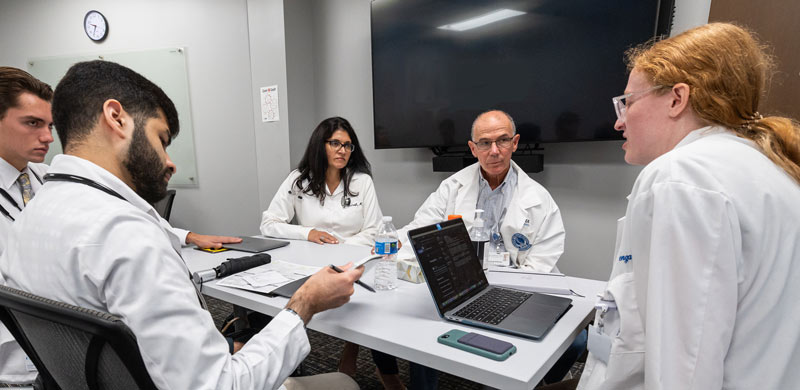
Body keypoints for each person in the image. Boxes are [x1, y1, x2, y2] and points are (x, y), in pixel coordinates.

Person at [0, 60, 362, 389]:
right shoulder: (128, 236)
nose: (170, 163)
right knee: (345, 385)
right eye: (161, 139)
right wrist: (304, 304)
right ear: (116, 117)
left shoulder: (29, 218)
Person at [578, 23, 800, 389]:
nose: (619, 121)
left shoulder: (681, 177)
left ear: (677, 99)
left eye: (628, 102)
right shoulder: (768, 170)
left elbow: (683, 371)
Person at [0, 66, 242, 386]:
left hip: (77, 362)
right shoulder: (114, 227)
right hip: (27, 362)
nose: (47, 137)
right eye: (32, 123)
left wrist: (187, 236)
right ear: (115, 117)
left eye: (50, 125)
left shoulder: (50, 181)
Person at [399, 109, 565, 272]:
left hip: (517, 283)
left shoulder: (539, 199)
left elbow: (541, 263)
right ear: (473, 149)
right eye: (485, 143)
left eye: (503, 140)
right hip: (464, 280)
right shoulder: (452, 187)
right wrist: (394, 241)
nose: (494, 151)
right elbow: (421, 230)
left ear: (514, 143)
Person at [260, 116, 382, 247]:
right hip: (311, 256)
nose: (343, 151)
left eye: (347, 145)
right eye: (335, 143)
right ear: (319, 146)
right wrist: (308, 233)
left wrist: (341, 246)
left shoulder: (363, 181)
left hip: (352, 254)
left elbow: (375, 230)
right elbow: (269, 224)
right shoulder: (298, 179)